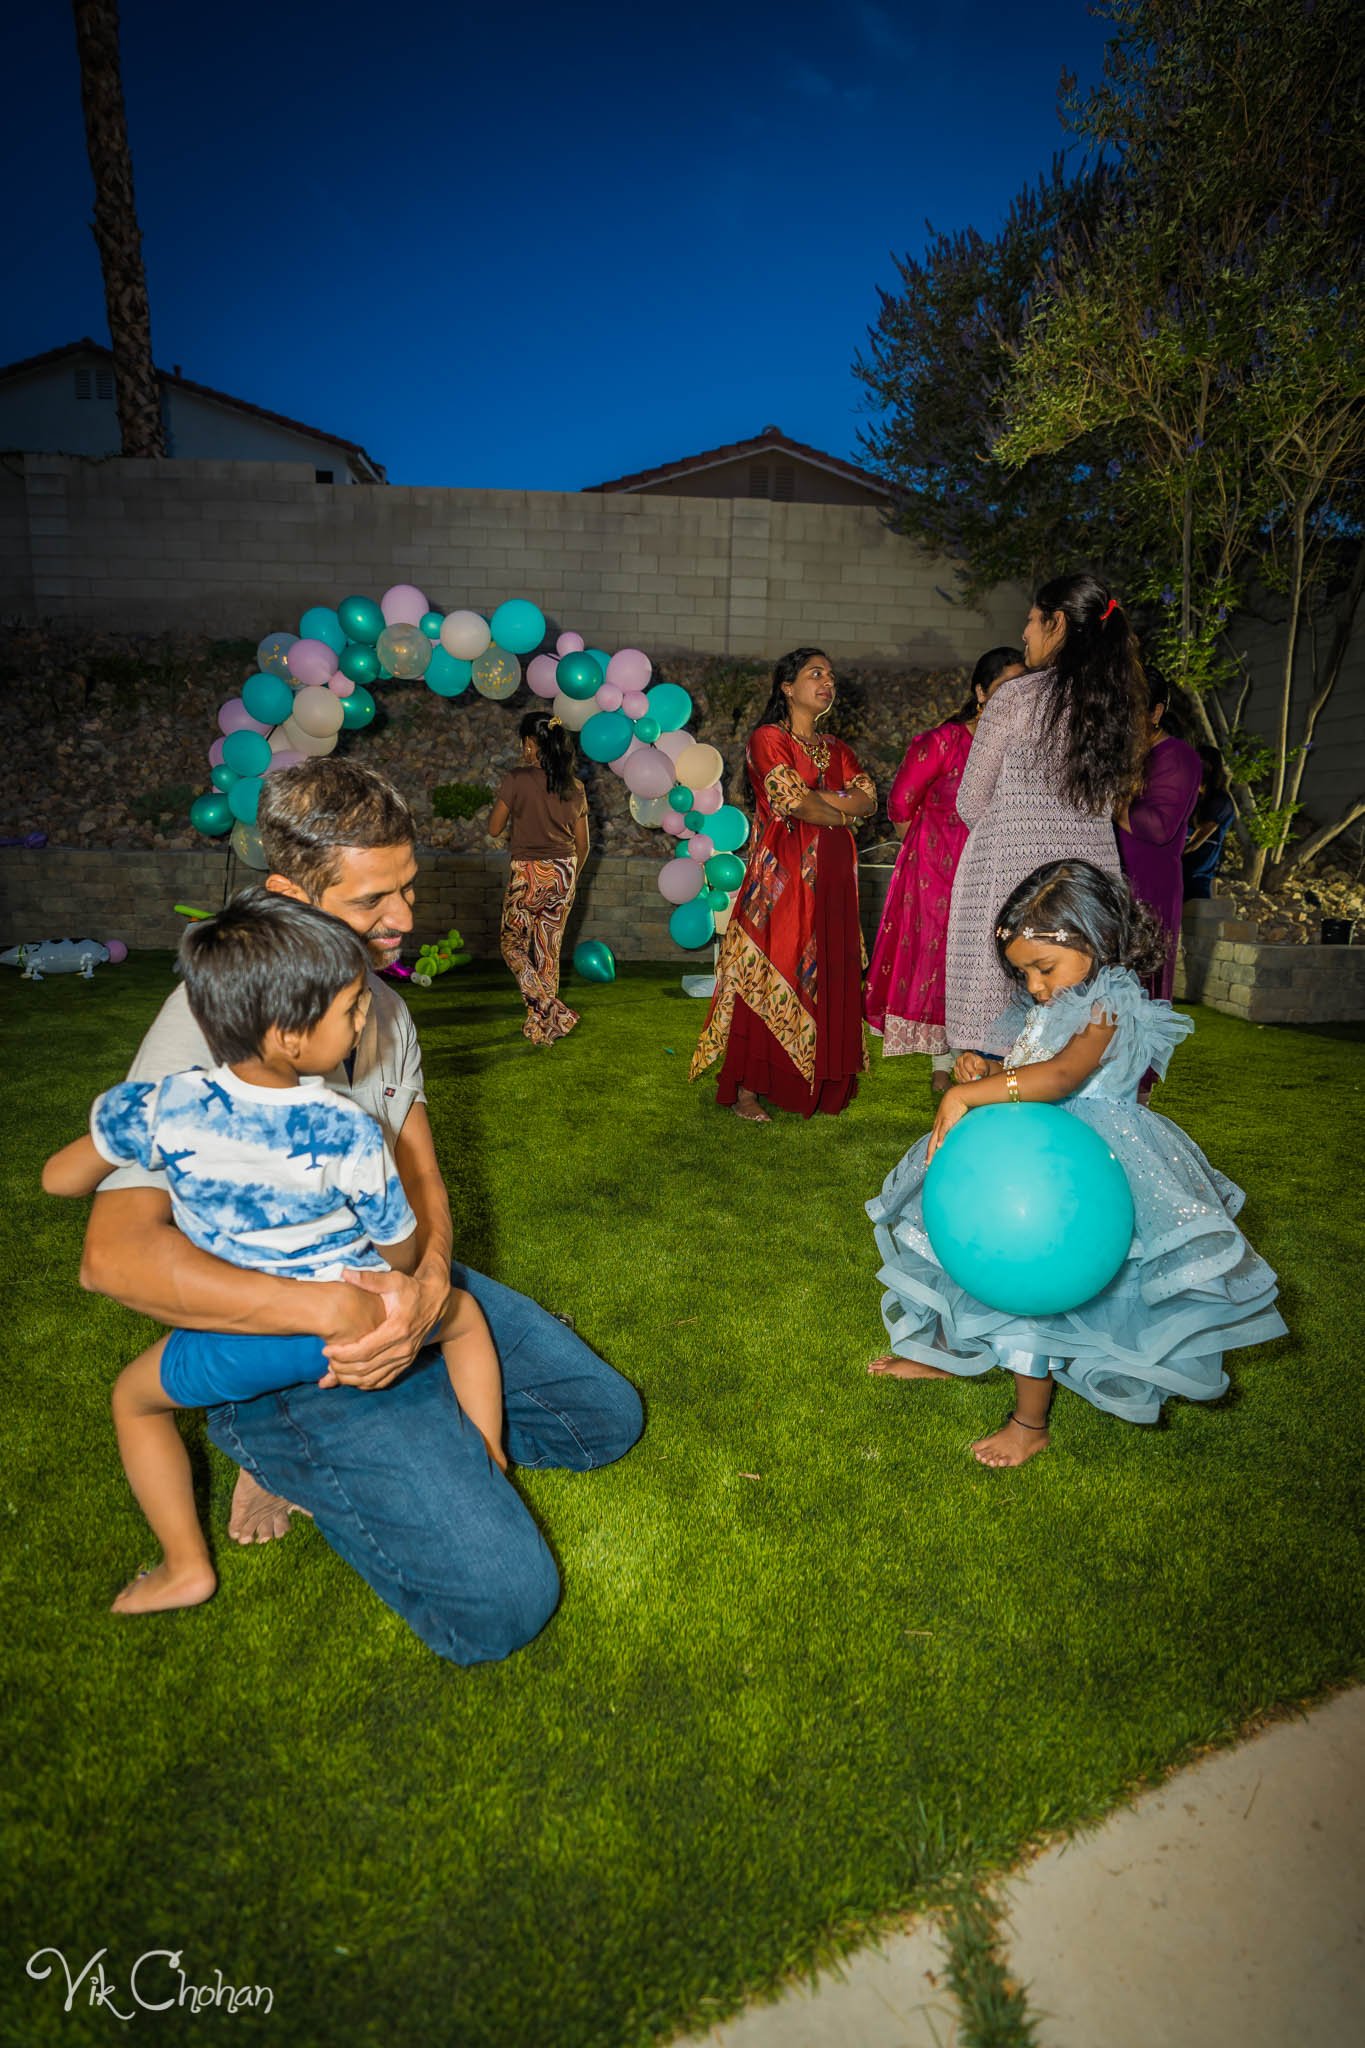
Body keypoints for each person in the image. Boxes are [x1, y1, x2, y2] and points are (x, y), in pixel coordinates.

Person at [75, 759, 643, 1664]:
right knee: (506, 1606)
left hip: (391, 1291)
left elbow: (425, 1184)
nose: (405, 920)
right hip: (291, 1347)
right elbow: (115, 1258)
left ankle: (411, 1443)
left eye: (408, 888)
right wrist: (345, 1318)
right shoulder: (209, 1028)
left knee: (601, 1421)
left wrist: (419, 1292)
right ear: (286, 895)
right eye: (373, 899)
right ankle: (272, 1445)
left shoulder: (375, 1002)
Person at [43, 891, 511, 1614]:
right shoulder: (347, 1129)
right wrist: (401, 1278)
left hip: (243, 1337)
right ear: (292, 1036)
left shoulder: (159, 1106)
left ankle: (183, 1565)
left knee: (134, 1402)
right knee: (466, 1318)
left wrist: (131, 1142)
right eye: (353, 1007)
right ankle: (489, 1458)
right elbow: (402, 1246)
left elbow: (59, 1179)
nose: (366, 1018)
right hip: (357, 1319)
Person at [867, 860, 1285, 1468]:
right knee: (970, 1252)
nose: (1035, 987)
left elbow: (1063, 1074)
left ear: (1094, 940)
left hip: (1075, 1175)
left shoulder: (1109, 1005)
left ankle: (1028, 1421)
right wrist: (987, 1070)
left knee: (1039, 1280)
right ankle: (948, 1354)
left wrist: (969, 1095)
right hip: (1025, 1154)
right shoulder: (1059, 1000)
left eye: (1044, 968)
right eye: (1024, 973)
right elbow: (1033, 1065)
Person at [943, 574, 1145, 1058]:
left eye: (1033, 622)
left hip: (1014, 888)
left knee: (1002, 1038)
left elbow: (970, 800)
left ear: (1058, 624)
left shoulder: (1014, 698)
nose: (1026, 634)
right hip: (1087, 893)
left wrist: (1013, 835)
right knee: (1075, 1041)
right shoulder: (1117, 706)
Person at [689, 648, 876, 1121]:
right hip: (784, 878)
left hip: (834, 879)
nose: (827, 682)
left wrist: (827, 801)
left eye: (831, 676)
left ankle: (819, 1084)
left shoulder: (838, 749)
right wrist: (839, 806)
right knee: (774, 968)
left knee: (828, 970)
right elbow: (794, 802)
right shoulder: (767, 738)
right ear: (787, 687)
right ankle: (748, 1089)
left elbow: (871, 800)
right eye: (816, 674)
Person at [864, 647, 1024, 1091]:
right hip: (937, 869)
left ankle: (973, 1057)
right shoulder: (946, 741)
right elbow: (900, 803)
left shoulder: (1021, 750)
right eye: (1004, 688)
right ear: (979, 692)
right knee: (940, 957)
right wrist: (927, 847)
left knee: (986, 961)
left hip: (995, 868)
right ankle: (942, 1061)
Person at [487, 711, 590, 1046]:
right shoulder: (575, 787)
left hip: (529, 872)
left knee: (512, 944)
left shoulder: (516, 779)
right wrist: (569, 878)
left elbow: (494, 827)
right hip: (564, 872)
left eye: (524, 742)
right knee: (548, 949)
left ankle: (547, 1006)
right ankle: (541, 1028)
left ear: (530, 743)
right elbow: (583, 844)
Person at [1116, 678, 1203, 999]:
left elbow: (1158, 827)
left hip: (1149, 886)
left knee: (1141, 988)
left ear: (1156, 712)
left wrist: (1110, 800)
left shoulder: (1178, 757)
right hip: (1112, 882)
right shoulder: (1124, 754)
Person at [1183, 744, 1236, 900]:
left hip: (1196, 875)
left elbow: (1196, 842)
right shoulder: (1192, 798)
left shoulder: (1220, 801)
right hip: (1181, 871)